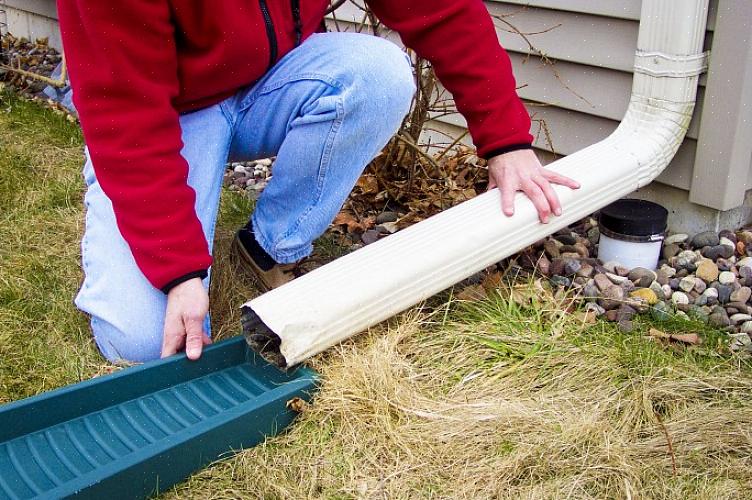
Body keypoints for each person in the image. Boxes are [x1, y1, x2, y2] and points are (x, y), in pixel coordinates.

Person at [58, 0, 580, 364]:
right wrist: (178, 272)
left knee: (378, 75)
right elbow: (127, 115)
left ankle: (268, 248)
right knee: (142, 342)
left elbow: (443, 11)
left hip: (268, 79)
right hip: (168, 111)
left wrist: (506, 140)